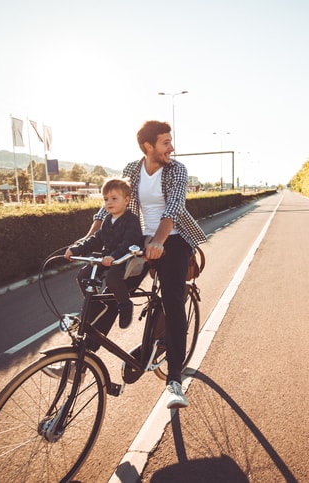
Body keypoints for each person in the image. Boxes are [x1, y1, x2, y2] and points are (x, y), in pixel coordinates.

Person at [84, 120, 206, 409]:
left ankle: (174, 380)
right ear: (148, 146)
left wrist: (159, 242)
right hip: (139, 240)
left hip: (173, 240)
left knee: (173, 301)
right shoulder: (132, 169)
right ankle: (82, 357)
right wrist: (87, 239)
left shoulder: (177, 170)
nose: (171, 147)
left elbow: (173, 208)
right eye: (165, 142)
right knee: (113, 291)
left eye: (170, 141)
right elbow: (108, 207)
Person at [65, 177, 143, 328]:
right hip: (107, 256)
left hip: (124, 259)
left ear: (126, 200)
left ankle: (125, 305)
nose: (109, 202)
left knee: (113, 278)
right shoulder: (107, 220)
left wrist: (114, 256)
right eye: (106, 199)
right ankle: (97, 305)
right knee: (83, 275)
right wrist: (77, 249)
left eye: (114, 198)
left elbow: (129, 242)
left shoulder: (131, 220)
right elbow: (96, 239)